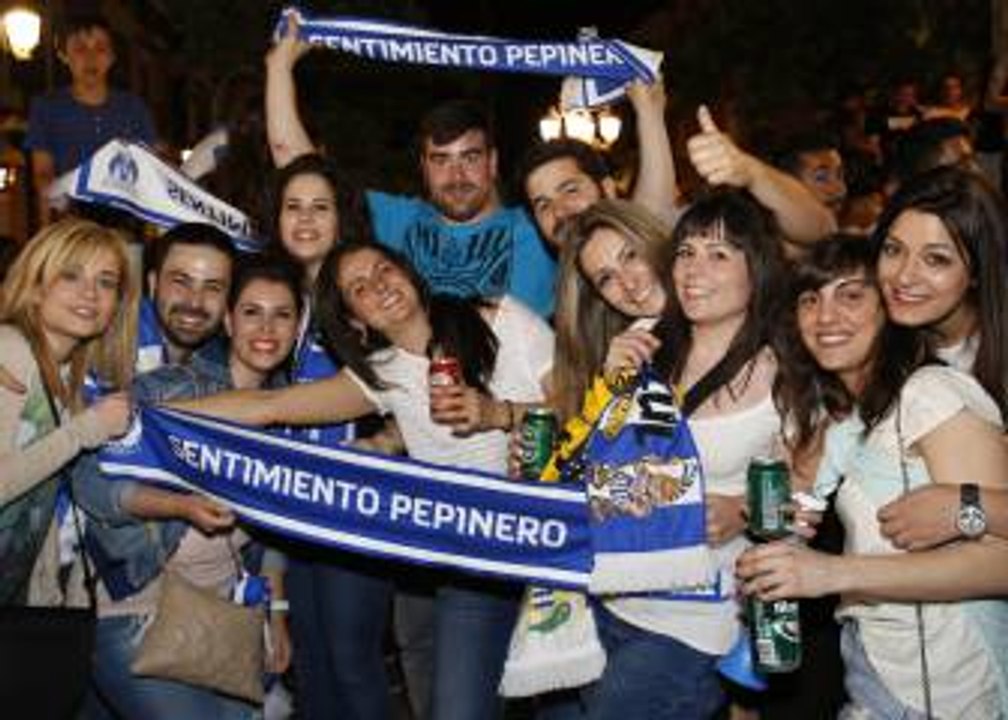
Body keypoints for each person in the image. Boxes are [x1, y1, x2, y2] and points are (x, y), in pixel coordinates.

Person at [170, 239, 554, 720]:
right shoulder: (382, 375)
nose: (380, 287)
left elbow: (584, 411)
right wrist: (152, 415)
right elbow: (268, 407)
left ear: (410, 273)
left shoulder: (501, 317)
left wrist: (499, 413)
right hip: (479, 566)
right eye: (360, 288)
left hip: (560, 544)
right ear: (355, 320)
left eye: (384, 270)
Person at [739, 234, 1008, 717]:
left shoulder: (932, 392)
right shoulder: (848, 422)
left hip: (949, 686)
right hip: (874, 666)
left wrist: (831, 573)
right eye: (809, 299)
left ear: (889, 308)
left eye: (851, 295)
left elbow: (1003, 564)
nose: (824, 317)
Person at [80, 256, 298, 720]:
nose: (267, 327)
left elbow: (278, 532)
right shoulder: (170, 391)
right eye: (252, 311)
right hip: (140, 609)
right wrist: (178, 505)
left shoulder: (289, 418)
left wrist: (275, 613)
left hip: (224, 625)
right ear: (228, 320)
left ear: (298, 328)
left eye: (282, 314)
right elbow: (89, 481)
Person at [266, 14, 556, 317]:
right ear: (423, 167)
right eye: (440, 160)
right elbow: (300, 169)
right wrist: (279, 67)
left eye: (470, 158)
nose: (456, 175)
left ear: (492, 162)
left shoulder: (537, 227)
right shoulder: (399, 220)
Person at [263, 152, 396, 720]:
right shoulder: (277, 298)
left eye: (321, 207)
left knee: (351, 662)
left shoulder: (365, 292)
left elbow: (411, 377)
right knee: (312, 665)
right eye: (293, 207)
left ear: (344, 218)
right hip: (296, 513)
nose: (306, 219)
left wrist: (386, 443)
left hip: (354, 510)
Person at [861, 166, 1008, 553]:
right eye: (893, 251)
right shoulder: (877, 346)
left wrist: (970, 506)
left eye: (936, 260)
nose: (904, 277)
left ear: (977, 271)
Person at [0, 218, 135, 608]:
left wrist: (47, 590)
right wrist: (86, 430)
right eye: (71, 275)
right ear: (37, 286)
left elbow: (37, 501)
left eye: (106, 282)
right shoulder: (11, 355)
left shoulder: (68, 375)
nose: (90, 293)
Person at [25, 13, 156, 227]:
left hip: (125, 222)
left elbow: (151, 167)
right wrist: (46, 231)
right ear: (63, 55)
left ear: (112, 57)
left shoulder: (134, 108)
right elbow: (42, 174)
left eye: (101, 49)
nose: (90, 58)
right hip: (70, 220)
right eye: (80, 49)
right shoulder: (46, 107)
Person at [518, 78, 681, 247]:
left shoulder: (638, 260)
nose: (558, 212)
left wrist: (649, 112)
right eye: (543, 205)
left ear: (608, 189)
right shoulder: (558, 272)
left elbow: (652, 211)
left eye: (570, 190)